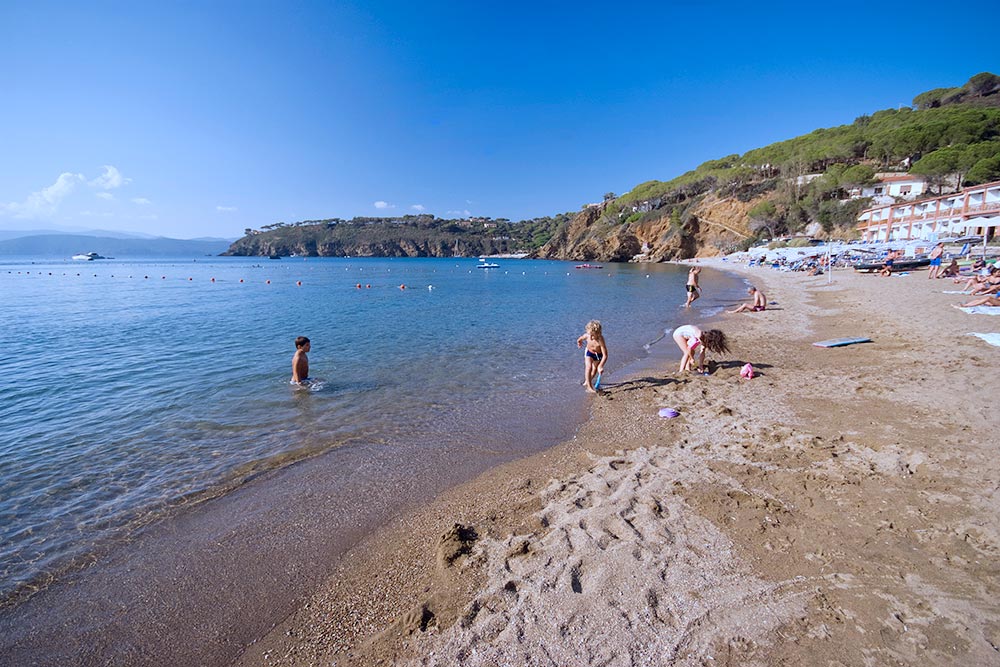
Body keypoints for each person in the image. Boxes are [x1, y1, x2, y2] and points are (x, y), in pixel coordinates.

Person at [576, 320, 608, 393]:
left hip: (598, 355)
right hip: (589, 352)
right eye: (589, 334)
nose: (590, 337)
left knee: (594, 370)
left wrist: (601, 366)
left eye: (593, 335)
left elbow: (605, 355)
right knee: (588, 367)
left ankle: (587, 381)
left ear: (598, 334)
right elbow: (580, 338)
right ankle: (589, 387)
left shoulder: (600, 340)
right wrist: (579, 342)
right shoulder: (587, 335)